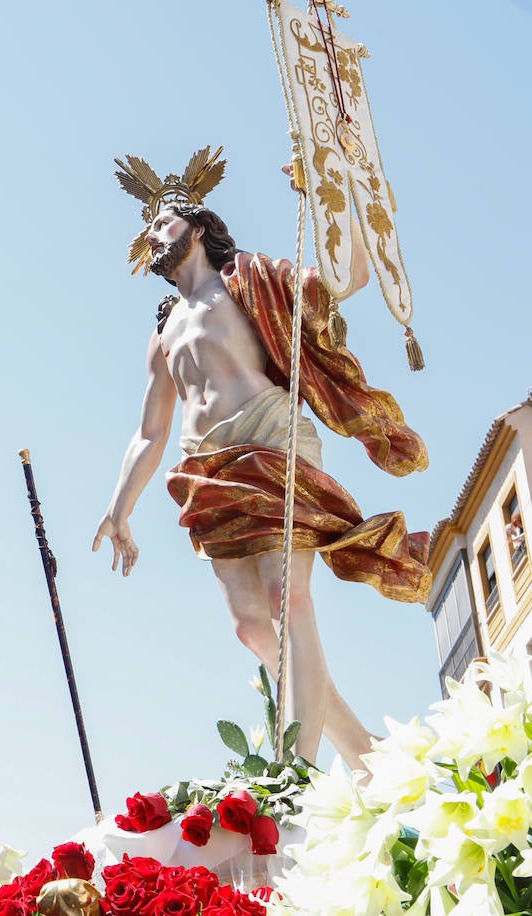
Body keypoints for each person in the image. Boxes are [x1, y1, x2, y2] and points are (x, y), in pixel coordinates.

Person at [92, 193, 430, 770]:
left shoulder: (247, 279)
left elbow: (344, 278)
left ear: (197, 227)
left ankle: (292, 769)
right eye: (147, 229)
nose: (153, 234)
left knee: (286, 598)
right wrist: (118, 509)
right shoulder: (163, 332)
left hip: (272, 437)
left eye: (164, 221)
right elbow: (150, 432)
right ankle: (362, 750)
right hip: (208, 466)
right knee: (251, 626)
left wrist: (332, 192)